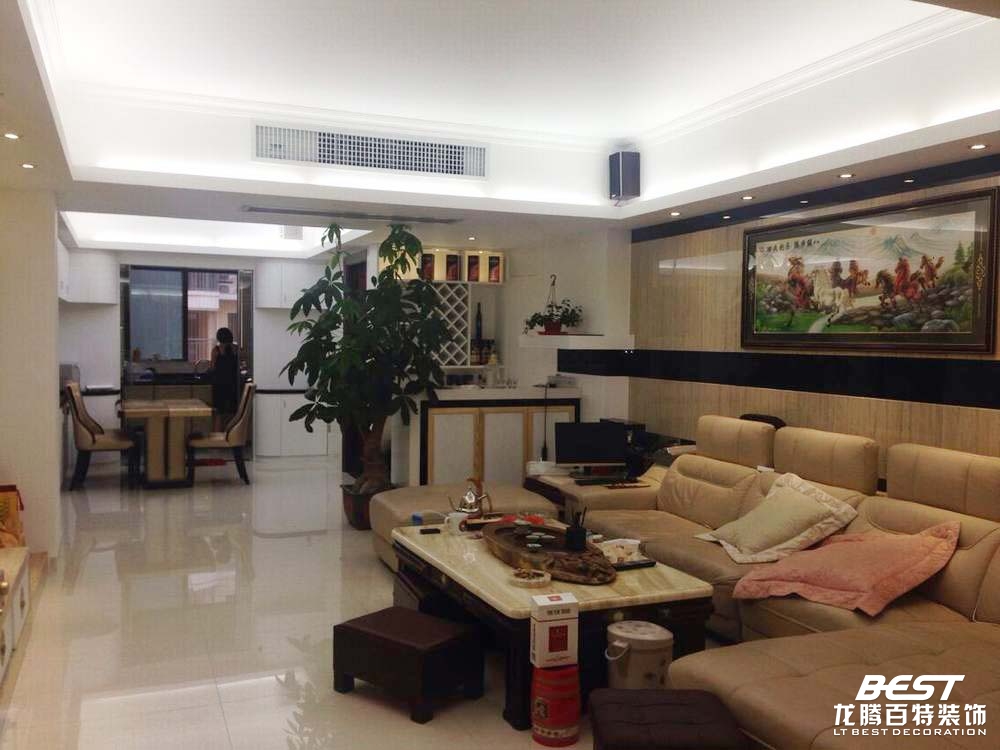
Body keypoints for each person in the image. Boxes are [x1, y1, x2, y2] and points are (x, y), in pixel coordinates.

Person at [210, 327, 240, 431]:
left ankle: (217, 437)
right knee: (233, 413)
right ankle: (232, 436)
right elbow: (240, 365)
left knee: (219, 413)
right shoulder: (236, 349)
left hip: (219, 385)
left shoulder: (216, 350)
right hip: (233, 384)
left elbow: (212, 368)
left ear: (219, 337)